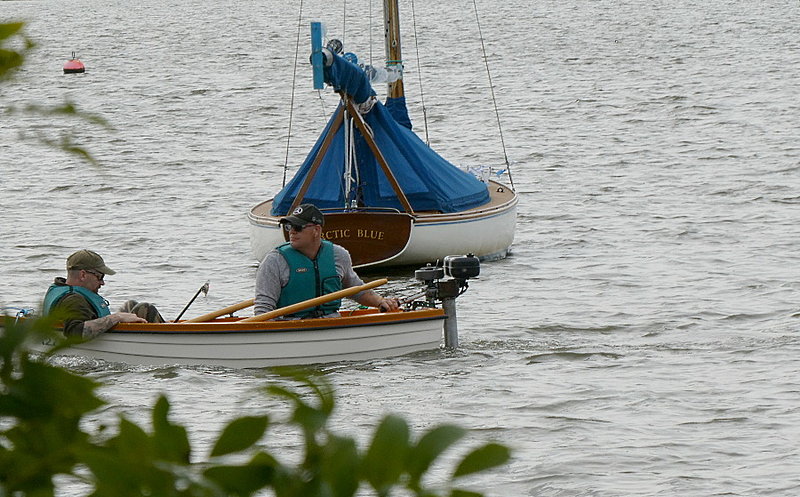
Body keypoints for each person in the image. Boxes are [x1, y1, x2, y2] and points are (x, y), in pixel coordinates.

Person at [254, 203, 400, 318]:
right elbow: (263, 309)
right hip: (290, 324)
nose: (291, 231)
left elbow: (357, 290)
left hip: (330, 320)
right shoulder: (275, 261)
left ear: (316, 230)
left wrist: (381, 301)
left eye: (298, 227)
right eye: (289, 226)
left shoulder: (339, 255)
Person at [42, 249, 164, 339]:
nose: (102, 282)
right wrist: (117, 317)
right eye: (99, 277)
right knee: (147, 308)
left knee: (131, 305)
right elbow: (75, 332)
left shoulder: (62, 288)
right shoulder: (74, 299)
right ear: (83, 275)